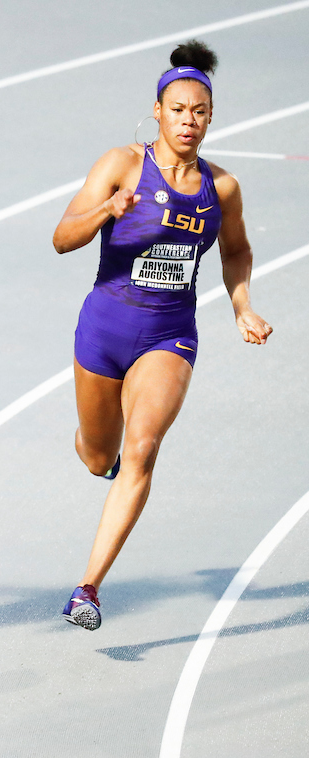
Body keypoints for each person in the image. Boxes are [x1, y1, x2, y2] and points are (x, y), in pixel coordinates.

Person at [52, 41, 271, 630]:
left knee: (142, 451)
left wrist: (241, 306)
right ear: (157, 111)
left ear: (210, 117)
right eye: (178, 110)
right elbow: (62, 237)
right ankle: (96, 446)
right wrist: (108, 210)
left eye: (200, 111)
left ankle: (88, 588)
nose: (189, 121)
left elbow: (238, 251)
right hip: (104, 328)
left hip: (169, 336)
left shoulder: (220, 189)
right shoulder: (120, 164)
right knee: (100, 454)